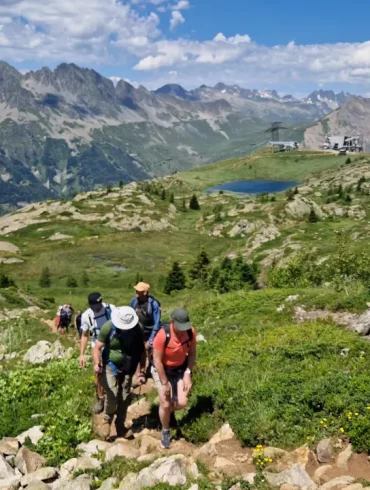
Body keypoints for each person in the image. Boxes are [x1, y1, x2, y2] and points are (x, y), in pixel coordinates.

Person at [93, 306, 146, 440]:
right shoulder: (108, 327)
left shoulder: (137, 329)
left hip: (129, 366)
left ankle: (120, 425)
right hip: (110, 365)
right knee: (111, 393)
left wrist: (142, 372)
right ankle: (106, 421)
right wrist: (96, 363)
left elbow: (142, 352)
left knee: (124, 396)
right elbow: (97, 347)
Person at [152, 308, 196, 449]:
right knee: (165, 403)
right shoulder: (162, 335)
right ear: (172, 321)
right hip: (162, 369)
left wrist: (188, 373)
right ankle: (165, 429)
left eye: (185, 327)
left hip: (180, 369)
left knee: (182, 402)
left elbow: (192, 354)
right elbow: (157, 361)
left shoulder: (190, 332)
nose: (182, 331)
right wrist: (164, 383)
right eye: (180, 327)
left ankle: (167, 413)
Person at [80, 293, 116, 414]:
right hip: (97, 345)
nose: (99, 307)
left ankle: (116, 396)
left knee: (116, 370)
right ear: (91, 305)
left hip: (113, 344)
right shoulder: (86, 316)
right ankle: (100, 398)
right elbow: (84, 336)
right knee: (99, 372)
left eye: (100, 304)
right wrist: (82, 354)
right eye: (96, 305)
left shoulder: (111, 309)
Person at [130, 282, 161, 349]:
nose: (136, 292)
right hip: (137, 332)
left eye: (139, 291)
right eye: (136, 290)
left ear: (145, 293)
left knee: (148, 353)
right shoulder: (133, 301)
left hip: (149, 333)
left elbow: (157, 323)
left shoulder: (153, 304)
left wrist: (150, 340)